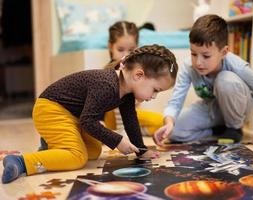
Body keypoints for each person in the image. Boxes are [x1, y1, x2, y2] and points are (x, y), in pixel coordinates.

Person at [2, 44, 178, 184]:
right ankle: (21, 162)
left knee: (93, 151)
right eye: (155, 90)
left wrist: (141, 151)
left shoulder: (127, 93)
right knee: (77, 157)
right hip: (50, 109)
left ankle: (50, 146)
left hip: (73, 116)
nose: (154, 96)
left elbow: (130, 121)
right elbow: (88, 121)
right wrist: (117, 141)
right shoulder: (107, 84)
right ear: (138, 75)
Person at [154, 14, 253, 147]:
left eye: (206, 56)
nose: (198, 62)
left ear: (224, 52)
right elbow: (176, 101)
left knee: (225, 80)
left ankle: (234, 129)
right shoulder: (189, 66)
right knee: (174, 132)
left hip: (241, 107)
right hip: (214, 106)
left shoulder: (236, 65)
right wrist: (169, 121)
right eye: (193, 54)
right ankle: (218, 131)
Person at [104, 21, 164, 136]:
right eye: (120, 50)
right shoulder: (108, 72)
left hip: (132, 115)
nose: (126, 55)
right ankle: (122, 133)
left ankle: (135, 132)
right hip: (114, 120)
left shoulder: (138, 70)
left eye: (131, 50)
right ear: (111, 47)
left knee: (162, 122)